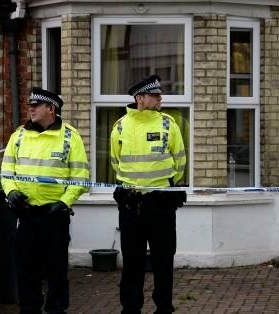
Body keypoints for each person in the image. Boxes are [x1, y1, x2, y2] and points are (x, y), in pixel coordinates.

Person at [1, 87, 89, 314]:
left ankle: (56, 311)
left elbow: (80, 177)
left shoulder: (70, 137)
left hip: (55, 217)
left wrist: (64, 202)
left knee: (56, 273)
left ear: (51, 109)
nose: (30, 109)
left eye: (36, 105)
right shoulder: (18, 136)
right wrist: (10, 192)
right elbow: (6, 172)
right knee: (26, 272)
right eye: (29, 105)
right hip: (26, 215)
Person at [110, 74, 187, 313]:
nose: (160, 98)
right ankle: (130, 308)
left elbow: (180, 160)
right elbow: (116, 161)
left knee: (164, 260)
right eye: (155, 95)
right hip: (131, 204)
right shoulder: (121, 125)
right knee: (132, 262)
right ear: (140, 98)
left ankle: (164, 307)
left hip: (160, 202)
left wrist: (166, 185)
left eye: (159, 94)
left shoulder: (168, 124)